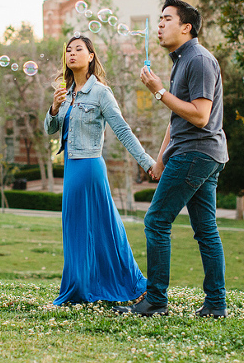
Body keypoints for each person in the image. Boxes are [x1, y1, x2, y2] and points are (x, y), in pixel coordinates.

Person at [115, 0, 229, 318]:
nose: (160, 25)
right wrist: (162, 156)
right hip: (197, 152)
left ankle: (155, 300)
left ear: (186, 27)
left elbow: (201, 116)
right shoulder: (181, 60)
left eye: (166, 19)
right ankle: (216, 304)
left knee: (156, 220)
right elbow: (175, 119)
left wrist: (157, 91)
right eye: (159, 19)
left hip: (196, 151)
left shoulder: (199, 60)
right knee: (206, 230)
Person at [44, 35, 157, 306]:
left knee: (104, 228)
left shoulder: (101, 93)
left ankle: (126, 283)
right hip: (72, 166)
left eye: (78, 49)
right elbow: (50, 129)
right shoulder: (66, 92)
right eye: (68, 50)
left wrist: (147, 162)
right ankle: (79, 288)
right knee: (75, 229)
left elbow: (122, 130)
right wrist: (54, 106)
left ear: (91, 56)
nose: (71, 54)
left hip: (90, 167)